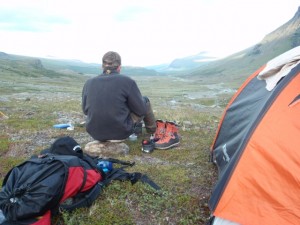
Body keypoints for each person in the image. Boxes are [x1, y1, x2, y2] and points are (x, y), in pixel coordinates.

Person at [82, 51, 156, 142]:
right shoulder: (128, 81)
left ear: (102, 66)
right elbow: (141, 110)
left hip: (95, 133)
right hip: (121, 133)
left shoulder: (89, 82)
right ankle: (152, 131)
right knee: (145, 101)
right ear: (119, 67)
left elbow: (85, 111)